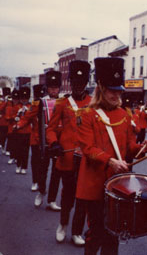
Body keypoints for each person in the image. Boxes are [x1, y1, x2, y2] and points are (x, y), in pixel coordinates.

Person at [76, 57, 147, 255]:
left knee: (114, 232)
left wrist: (142, 148)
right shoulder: (87, 115)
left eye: (119, 89)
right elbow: (88, 148)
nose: (116, 94)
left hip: (117, 183)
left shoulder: (125, 114)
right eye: (112, 89)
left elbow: (129, 147)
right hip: (94, 183)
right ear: (100, 87)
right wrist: (109, 160)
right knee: (96, 232)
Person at [46, 60, 92, 246]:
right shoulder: (62, 103)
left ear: (86, 83)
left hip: (87, 159)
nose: (78, 87)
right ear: (70, 84)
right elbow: (50, 129)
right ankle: (63, 225)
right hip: (66, 157)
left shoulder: (93, 103)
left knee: (83, 197)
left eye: (81, 84)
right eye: (75, 83)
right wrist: (54, 142)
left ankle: (76, 232)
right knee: (68, 195)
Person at [34, 70, 62, 211]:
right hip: (45, 141)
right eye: (51, 87)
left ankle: (51, 200)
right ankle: (41, 191)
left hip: (58, 142)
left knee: (57, 172)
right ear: (47, 88)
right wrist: (40, 141)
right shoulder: (42, 102)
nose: (53, 90)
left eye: (56, 87)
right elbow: (39, 123)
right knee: (42, 169)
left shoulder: (64, 101)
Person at [17, 84, 45, 191]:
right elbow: (26, 118)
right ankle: (35, 181)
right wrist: (18, 125)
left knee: (44, 164)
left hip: (46, 138)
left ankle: (41, 183)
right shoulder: (34, 106)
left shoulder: (50, 105)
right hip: (35, 138)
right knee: (35, 161)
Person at [12, 87, 32, 174]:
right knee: (18, 150)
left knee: (25, 151)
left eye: (26, 98)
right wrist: (18, 115)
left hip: (27, 132)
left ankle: (24, 167)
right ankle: (18, 165)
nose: (24, 100)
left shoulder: (31, 107)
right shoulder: (17, 107)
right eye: (22, 98)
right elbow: (13, 117)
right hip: (18, 132)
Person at [0, 87, 11, 154]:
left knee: (9, 137)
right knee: (2, 136)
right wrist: (5, 102)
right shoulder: (2, 101)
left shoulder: (11, 101)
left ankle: (7, 149)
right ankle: (3, 147)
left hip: (9, 121)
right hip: (3, 121)